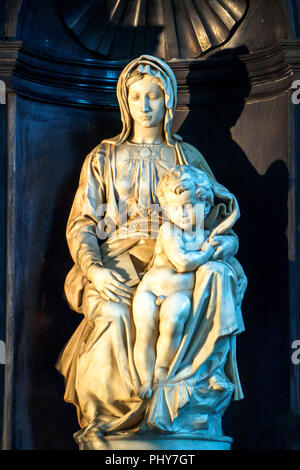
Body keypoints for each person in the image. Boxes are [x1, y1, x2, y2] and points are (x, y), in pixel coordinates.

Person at [56, 55, 247, 438]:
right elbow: (83, 224)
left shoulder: (186, 156)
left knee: (208, 285)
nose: (145, 106)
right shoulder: (104, 157)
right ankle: (110, 423)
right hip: (118, 262)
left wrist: (219, 240)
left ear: (168, 102)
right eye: (136, 96)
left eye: (154, 96)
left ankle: (178, 404)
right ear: (125, 102)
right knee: (112, 314)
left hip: (177, 266)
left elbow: (217, 213)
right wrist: (94, 270)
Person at [133, 165, 217, 399]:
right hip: (150, 291)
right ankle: (145, 379)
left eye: (189, 206)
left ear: (206, 205)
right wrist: (205, 254)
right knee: (145, 334)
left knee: (172, 326)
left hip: (180, 294)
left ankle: (161, 370)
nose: (181, 213)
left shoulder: (208, 236)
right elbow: (181, 262)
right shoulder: (169, 231)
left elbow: (232, 254)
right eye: (172, 207)